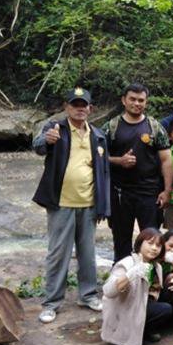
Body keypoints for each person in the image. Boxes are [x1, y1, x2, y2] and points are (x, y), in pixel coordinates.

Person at [32, 87, 111, 323]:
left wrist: (103, 205)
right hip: (61, 203)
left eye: (84, 104)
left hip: (88, 203)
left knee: (88, 253)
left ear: (90, 108)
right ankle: (51, 302)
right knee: (58, 253)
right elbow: (38, 146)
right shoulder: (56, 128)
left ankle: (87, 295)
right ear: (66, 107)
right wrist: (46, 139)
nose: (80, 108)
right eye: (75, 104)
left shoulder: (97, 135)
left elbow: (103, 171)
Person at [105, 83, 173, 263]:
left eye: (141, 100)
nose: (137, 103)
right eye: (132, 99)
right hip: (120, 193)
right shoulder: (111, 127)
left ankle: (151, 282)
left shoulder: (155, 127)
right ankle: (121, 281)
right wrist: (119, 161)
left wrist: (167, 191)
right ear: (124, 101)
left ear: (146, 102)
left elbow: (166, 160)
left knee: (152, 240)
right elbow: (97, 157)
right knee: (121, 239)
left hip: (149, 192)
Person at [101, 228, 173, 345]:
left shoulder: (156, 266)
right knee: (166, 309)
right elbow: (108, 291)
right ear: (140, 244)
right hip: (127, 309)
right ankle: (140, 331)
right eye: (150, 243)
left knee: (172, 287)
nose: (154, 248)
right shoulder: (127, 263)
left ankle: (146, 328)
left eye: (158, 245)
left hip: (145, 302)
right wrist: (130, 275)